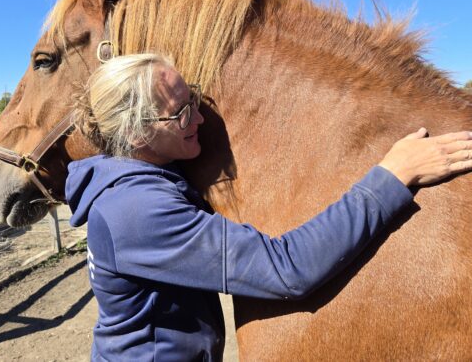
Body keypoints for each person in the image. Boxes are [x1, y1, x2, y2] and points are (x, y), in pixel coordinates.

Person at [66, 53, 472, 361]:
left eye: (192, 96)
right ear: (137, 134)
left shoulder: (131, 182)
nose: (199, 120)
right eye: (181, 112)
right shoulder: (136, 212)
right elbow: (285, 270)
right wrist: (393, 174)